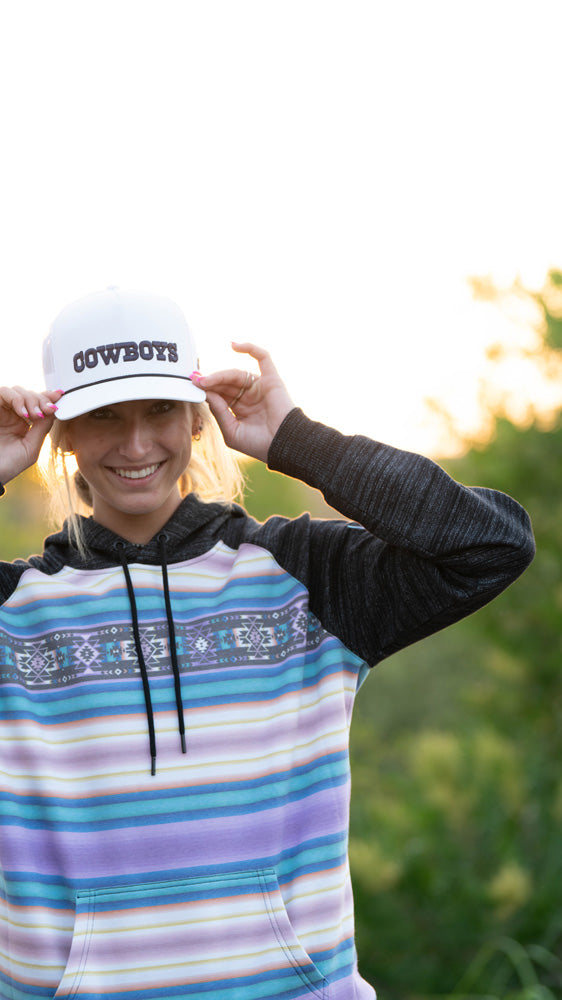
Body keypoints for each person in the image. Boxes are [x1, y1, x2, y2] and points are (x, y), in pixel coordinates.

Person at [0, 288, 534, 1000]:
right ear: (60, 432)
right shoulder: (14, 614)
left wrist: (297, 440)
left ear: (198, 419)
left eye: (160, 409)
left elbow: (491, 544)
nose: (135, 445)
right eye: (103, 416)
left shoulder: (303, 577)